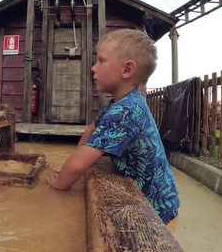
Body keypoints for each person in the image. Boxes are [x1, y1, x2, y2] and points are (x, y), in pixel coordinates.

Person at [45, 28, 180, 232]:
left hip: (155, 215)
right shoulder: (116, 104)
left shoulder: (127, 110)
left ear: (127, 70)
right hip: (146, 201)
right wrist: (72, 165)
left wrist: (60, 184)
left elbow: (79, 164)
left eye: (101, 60)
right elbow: (91, 132)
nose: (93, 68)